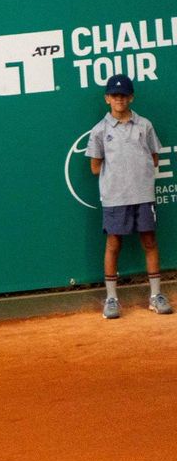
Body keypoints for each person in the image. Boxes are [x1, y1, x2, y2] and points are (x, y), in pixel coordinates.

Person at [89, 75, 171, 318]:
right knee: (114, 244)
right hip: (115, 198)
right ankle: (112, 298)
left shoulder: (144, 125)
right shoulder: (99, 131)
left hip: (143, 195)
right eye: (115, 96)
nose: (119, 99)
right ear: (107, 99)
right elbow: (95, 167)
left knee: (149, 242)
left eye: (124, 95)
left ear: (131, 97)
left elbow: (153, 158)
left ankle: (156, 296)